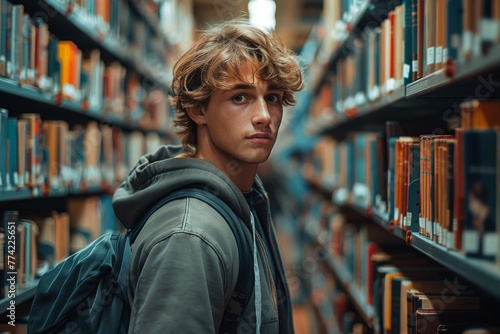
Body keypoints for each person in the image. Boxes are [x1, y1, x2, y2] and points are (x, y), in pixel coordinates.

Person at [112, 18, 304, 333]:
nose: (264, 116)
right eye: (240, 97)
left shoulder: (242, 198)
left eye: (273, 98)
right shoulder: (190, 237)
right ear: (197, 110)